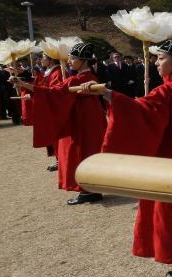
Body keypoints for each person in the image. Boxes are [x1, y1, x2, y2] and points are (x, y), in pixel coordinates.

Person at [74, 33, 172, 277]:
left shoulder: (170, 89)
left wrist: (107, 94)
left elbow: (139, 112)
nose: (157, 63)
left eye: (161, 58)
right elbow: (148, 109)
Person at [13, 42, 107, 205]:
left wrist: (23, 85)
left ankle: (88, 190)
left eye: (73, 58)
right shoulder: (86, 77)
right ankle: (91, 188)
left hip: (83, 119)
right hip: (90, 117)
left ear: (83, 61)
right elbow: (55, 92)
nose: (69, 61)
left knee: (81, 150)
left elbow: (53, 93)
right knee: (89, 149)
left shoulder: (81, 78)